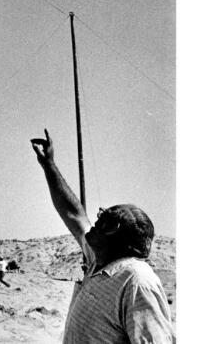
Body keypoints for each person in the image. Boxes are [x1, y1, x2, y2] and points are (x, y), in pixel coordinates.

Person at [31, 128, 174, 343]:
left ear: (122, 239)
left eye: (108, 220)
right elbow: (75, 215)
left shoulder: (136, 281)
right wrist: (49, 165)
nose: (97, 221)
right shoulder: (98, 263)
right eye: (102, 214)